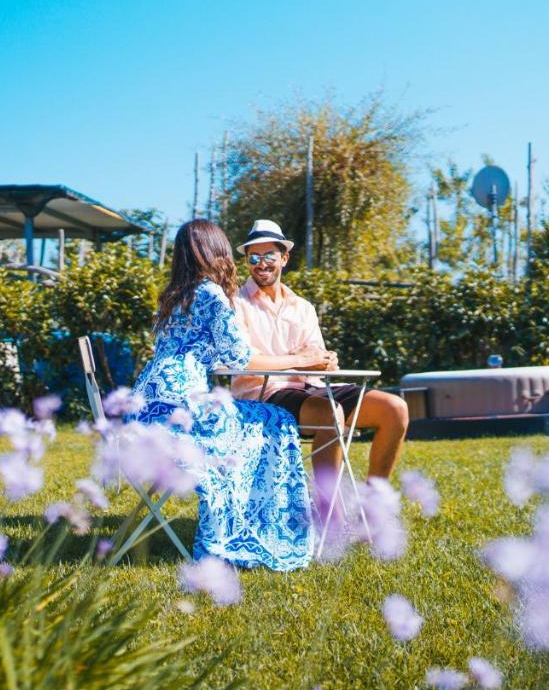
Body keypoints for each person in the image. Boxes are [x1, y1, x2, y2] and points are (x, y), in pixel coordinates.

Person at [128, 219, 315, 571]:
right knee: (277, 419)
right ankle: (257, 530)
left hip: (147, 409)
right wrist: (302, 360)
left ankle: (249, 523)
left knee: (257, 418)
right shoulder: (212, 294)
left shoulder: (173, 296)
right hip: (183, 409)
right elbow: (238, 357)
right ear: (215, 252)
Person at [230, 220, 409, 479]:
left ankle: (374, 506)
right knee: (330, 412)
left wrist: (325, 361)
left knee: (395, 408)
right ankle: (328, 511)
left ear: (285, 258)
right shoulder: (235, 303)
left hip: (313, 388)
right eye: (253, 257)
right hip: (263, 395)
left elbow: (314, 354)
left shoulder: (302, 307)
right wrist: (301, 360)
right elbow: (244, 361)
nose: (261, 263)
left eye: (269, 255)